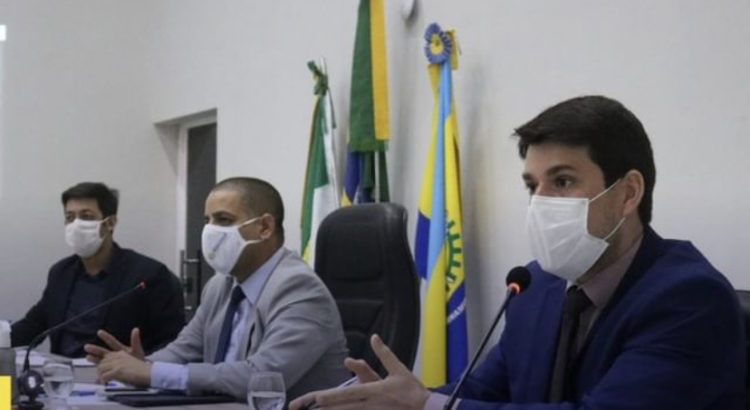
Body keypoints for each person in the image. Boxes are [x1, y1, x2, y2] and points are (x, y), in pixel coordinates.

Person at [290, 96, 746, 410]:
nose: (540, 202)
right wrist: (395, 400)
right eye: (532, 186)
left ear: (628, 193)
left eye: (562, 182)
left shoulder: (689, 299)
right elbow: (479, 392)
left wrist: (426, 406)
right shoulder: (536, 286)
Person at [84, 177, 350, 400]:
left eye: (224, 220)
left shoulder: (299, 289)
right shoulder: (220, 285)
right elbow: (184, 349)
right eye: (208, 220)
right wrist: (141, 364)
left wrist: (152, 373)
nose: (211, 230)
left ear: (265, 227)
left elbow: (262, 377)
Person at [12, 182, 185, 358]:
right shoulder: (61, 272)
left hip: (116, 372)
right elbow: (34, 325)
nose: (76, 225)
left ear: (110, 223)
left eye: (86, 216)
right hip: (61, 371)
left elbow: (172, 341)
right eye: (70, 218)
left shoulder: (148, 276)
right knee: (8, 374)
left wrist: (142, 362)